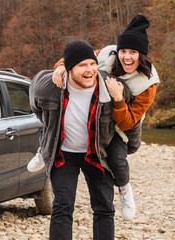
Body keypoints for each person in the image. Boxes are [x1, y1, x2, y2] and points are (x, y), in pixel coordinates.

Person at [31, 14, 160, 221]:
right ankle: (43, 152)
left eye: (133, 52)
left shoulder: (148, 84)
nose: (127, 57)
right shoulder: (107, 54)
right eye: (123, 51)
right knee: (57, 122)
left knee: (117, 160)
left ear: (142, 55)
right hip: (93, 111)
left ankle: (125, 190)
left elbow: (127, 123)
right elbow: (77, 57)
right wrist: (61, 67)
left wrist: (118, 100)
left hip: (119, 123)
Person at [29, 39, 136, 240]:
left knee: (104, 207)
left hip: (97, 152)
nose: (89, 70)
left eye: (93, 63)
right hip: (64, 153)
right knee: (62, 207)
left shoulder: (112, 87)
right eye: (82, 65)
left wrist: (131, 147)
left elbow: (132, 120)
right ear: (68, 68)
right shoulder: (49, 86)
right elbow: (36, 106)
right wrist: (50, 128)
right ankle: (42, 151)